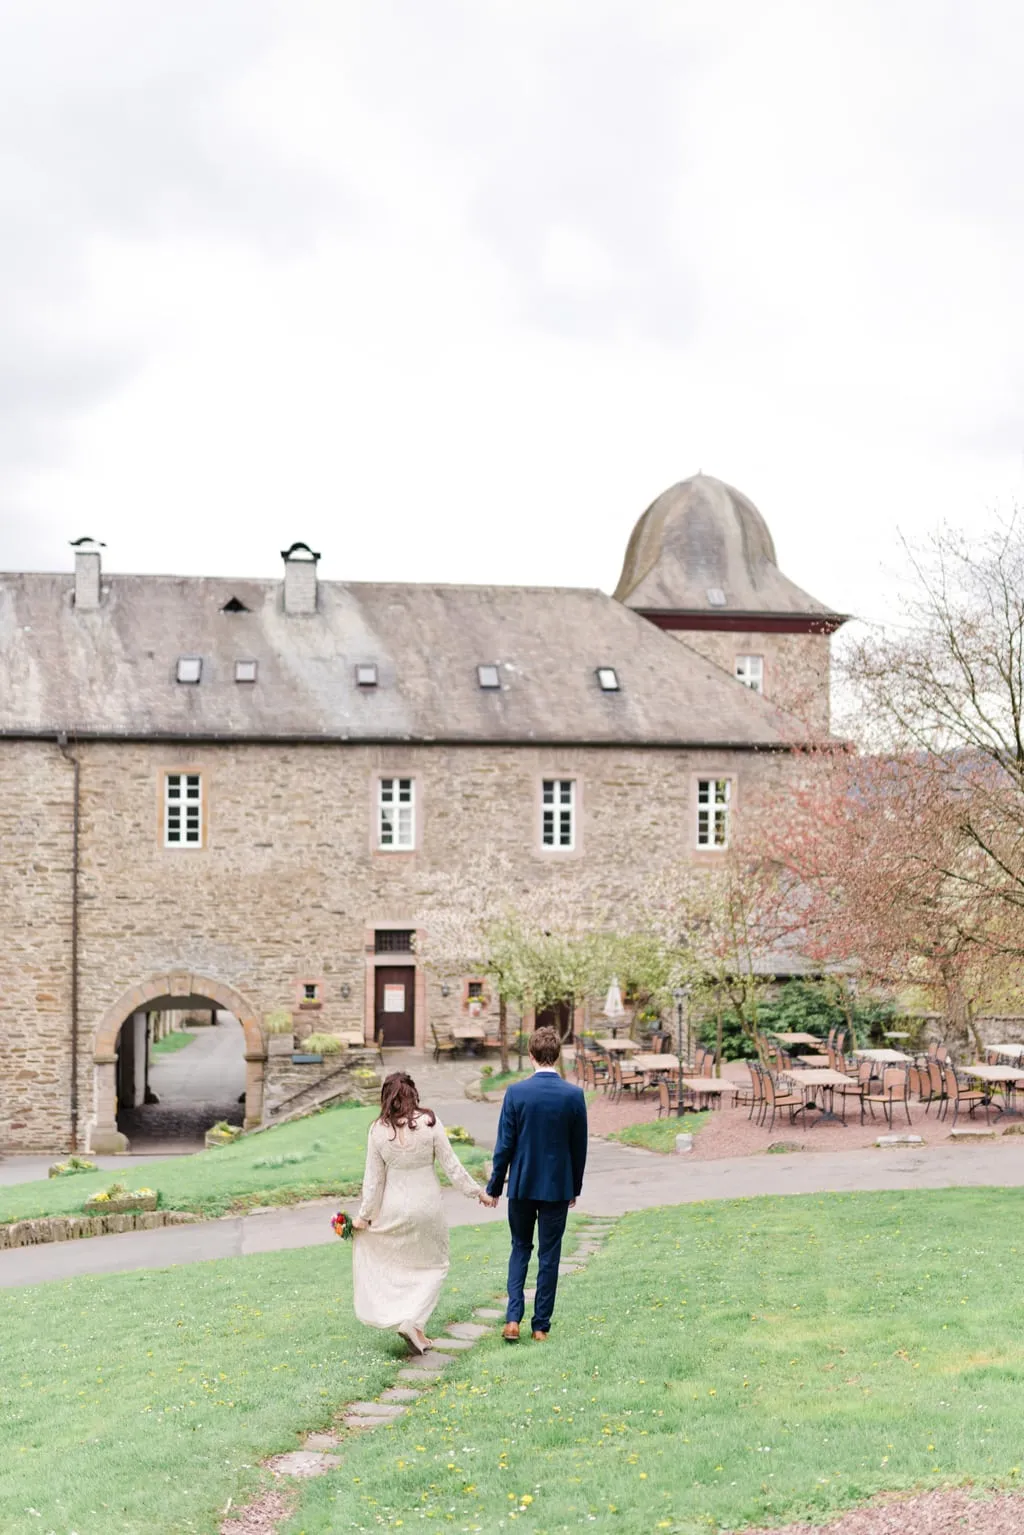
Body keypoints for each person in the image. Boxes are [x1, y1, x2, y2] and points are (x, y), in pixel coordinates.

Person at [351, 1071, 490, 1355]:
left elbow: (373, 1180)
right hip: (427, 1207)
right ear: (413, 1093)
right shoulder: (429, 1122)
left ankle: (413, 1325)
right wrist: (477, 1192)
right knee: (436, 1265)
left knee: (402, 1266)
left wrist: (364, 1216)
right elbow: (452, 1165)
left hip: (394, 1207)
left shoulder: (378, 1130)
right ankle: (413, 1320)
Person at [480, 1025, 588, 1342]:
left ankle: (513, 1319)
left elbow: (504, 1146)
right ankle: (540, 1326)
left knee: (520, 1248)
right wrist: (574, 1188)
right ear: (558, 1055)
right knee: (549, 1256)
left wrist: (494, 1187)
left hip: (523, 1185)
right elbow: (579, 1148)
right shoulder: (573, 1095)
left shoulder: (516, 1093)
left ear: (531, 1056)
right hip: (557, 1187)